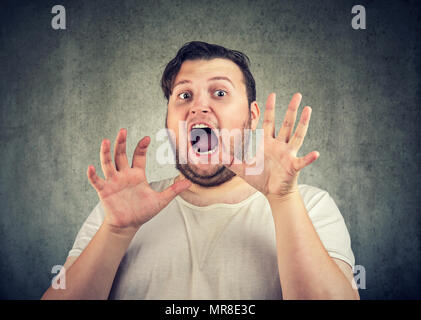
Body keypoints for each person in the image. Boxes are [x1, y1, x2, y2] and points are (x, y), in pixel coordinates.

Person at [42, 41, 359, 300]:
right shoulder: (115, 215)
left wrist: (283, 200)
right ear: (169, 121)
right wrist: (116, 232)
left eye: (220, 93)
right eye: (184, 95)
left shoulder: (310, 206)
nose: (198, 107)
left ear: (251, 116)